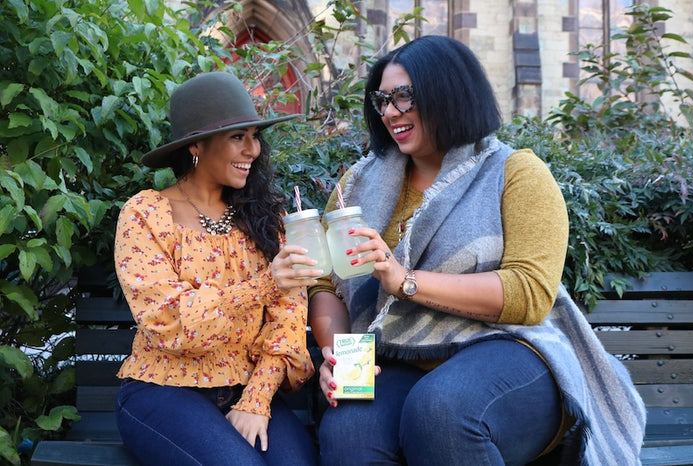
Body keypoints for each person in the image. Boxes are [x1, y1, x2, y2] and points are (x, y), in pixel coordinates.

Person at [271, 36, 646, 465]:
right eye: (383, 100)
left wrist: (404, 281)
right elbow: (326, 282)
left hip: (508, 348)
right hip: (393, 355)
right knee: (350, 427)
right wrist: (341, 354)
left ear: (449, 92)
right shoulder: (358, 184)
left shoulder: (516, 173)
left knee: (441, 409)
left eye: (404, 96)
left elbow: (529, 293)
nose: (391, 111)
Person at [114, 71, 318, 466]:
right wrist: (263, 284)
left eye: (255, 136)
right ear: (196, 145)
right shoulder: (146, 214)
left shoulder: (264, 216)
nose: (253, 150)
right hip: (163, 388)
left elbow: (288, 319)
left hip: (248, 388)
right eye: (237, 137)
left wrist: (257, 401)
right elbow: (169, 321)